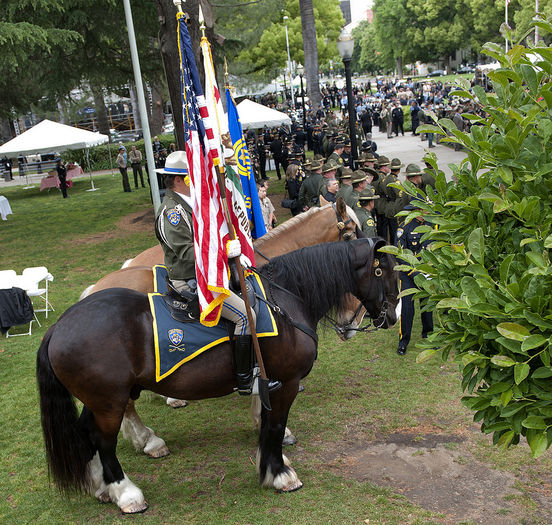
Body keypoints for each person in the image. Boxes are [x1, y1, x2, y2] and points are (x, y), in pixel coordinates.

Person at [154, 151, 281, 394]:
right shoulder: (172, 213)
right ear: (180, 180)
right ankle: (246, 381)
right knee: (246, 316)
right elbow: (187, 255)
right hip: (191, 281)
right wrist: (224, 252)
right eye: (194, 177)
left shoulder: (190, 205)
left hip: (208, 274)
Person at [396, 198, 434, 355]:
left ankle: (428, 337)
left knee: (427, 308)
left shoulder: (432, 226)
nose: (426, 212)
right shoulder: (404, 228)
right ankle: (403, 341)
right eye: (423, 209)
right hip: (408, 275)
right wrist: (415, 273)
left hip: (428, 274)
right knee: (408, 310)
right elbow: (401, 255)